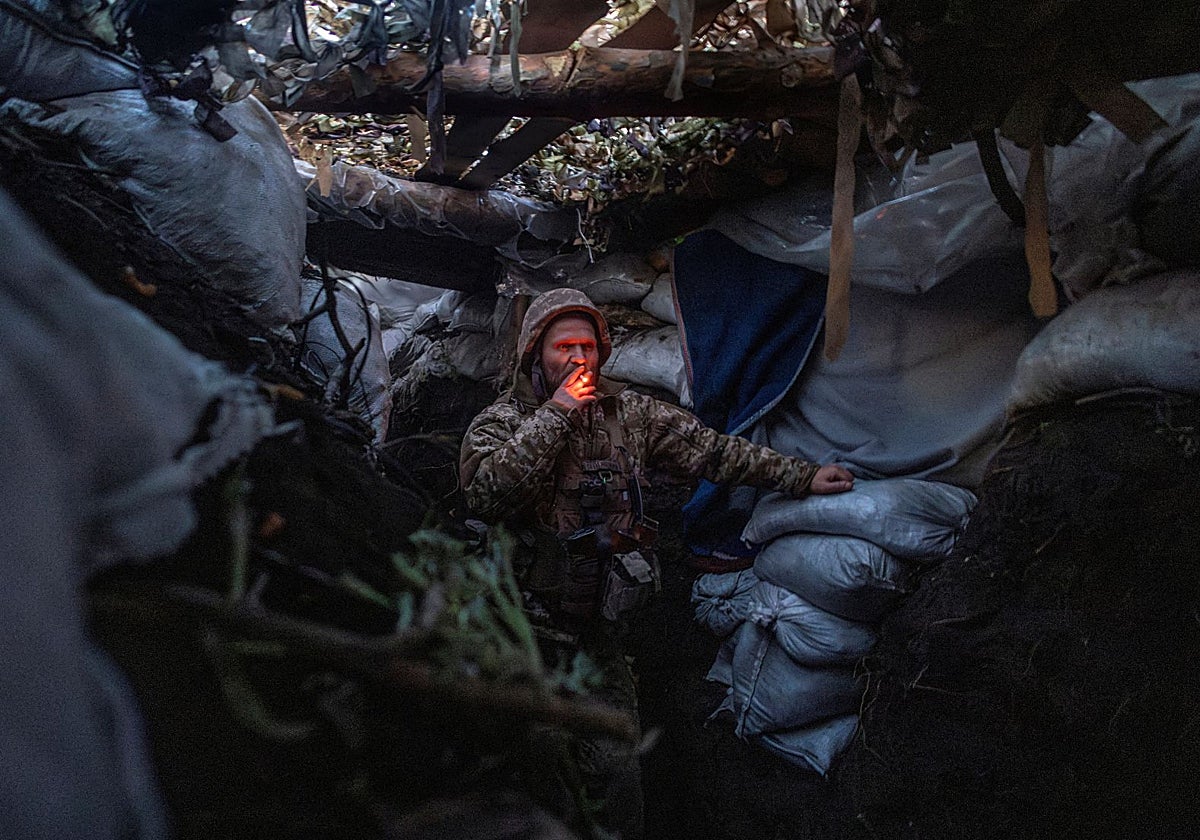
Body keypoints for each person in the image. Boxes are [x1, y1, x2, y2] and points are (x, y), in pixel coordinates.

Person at [459, 287, 853, 836]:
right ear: (535, 355)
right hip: (519, 630)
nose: (578, 359)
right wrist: (557, 414)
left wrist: (802, 476)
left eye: (588, 347)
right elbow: (487, 495)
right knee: (534, 771)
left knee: (617, 773)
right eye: (564, 348)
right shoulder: (499, 421)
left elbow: (714, 451)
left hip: (597, 635)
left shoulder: (632, 415)